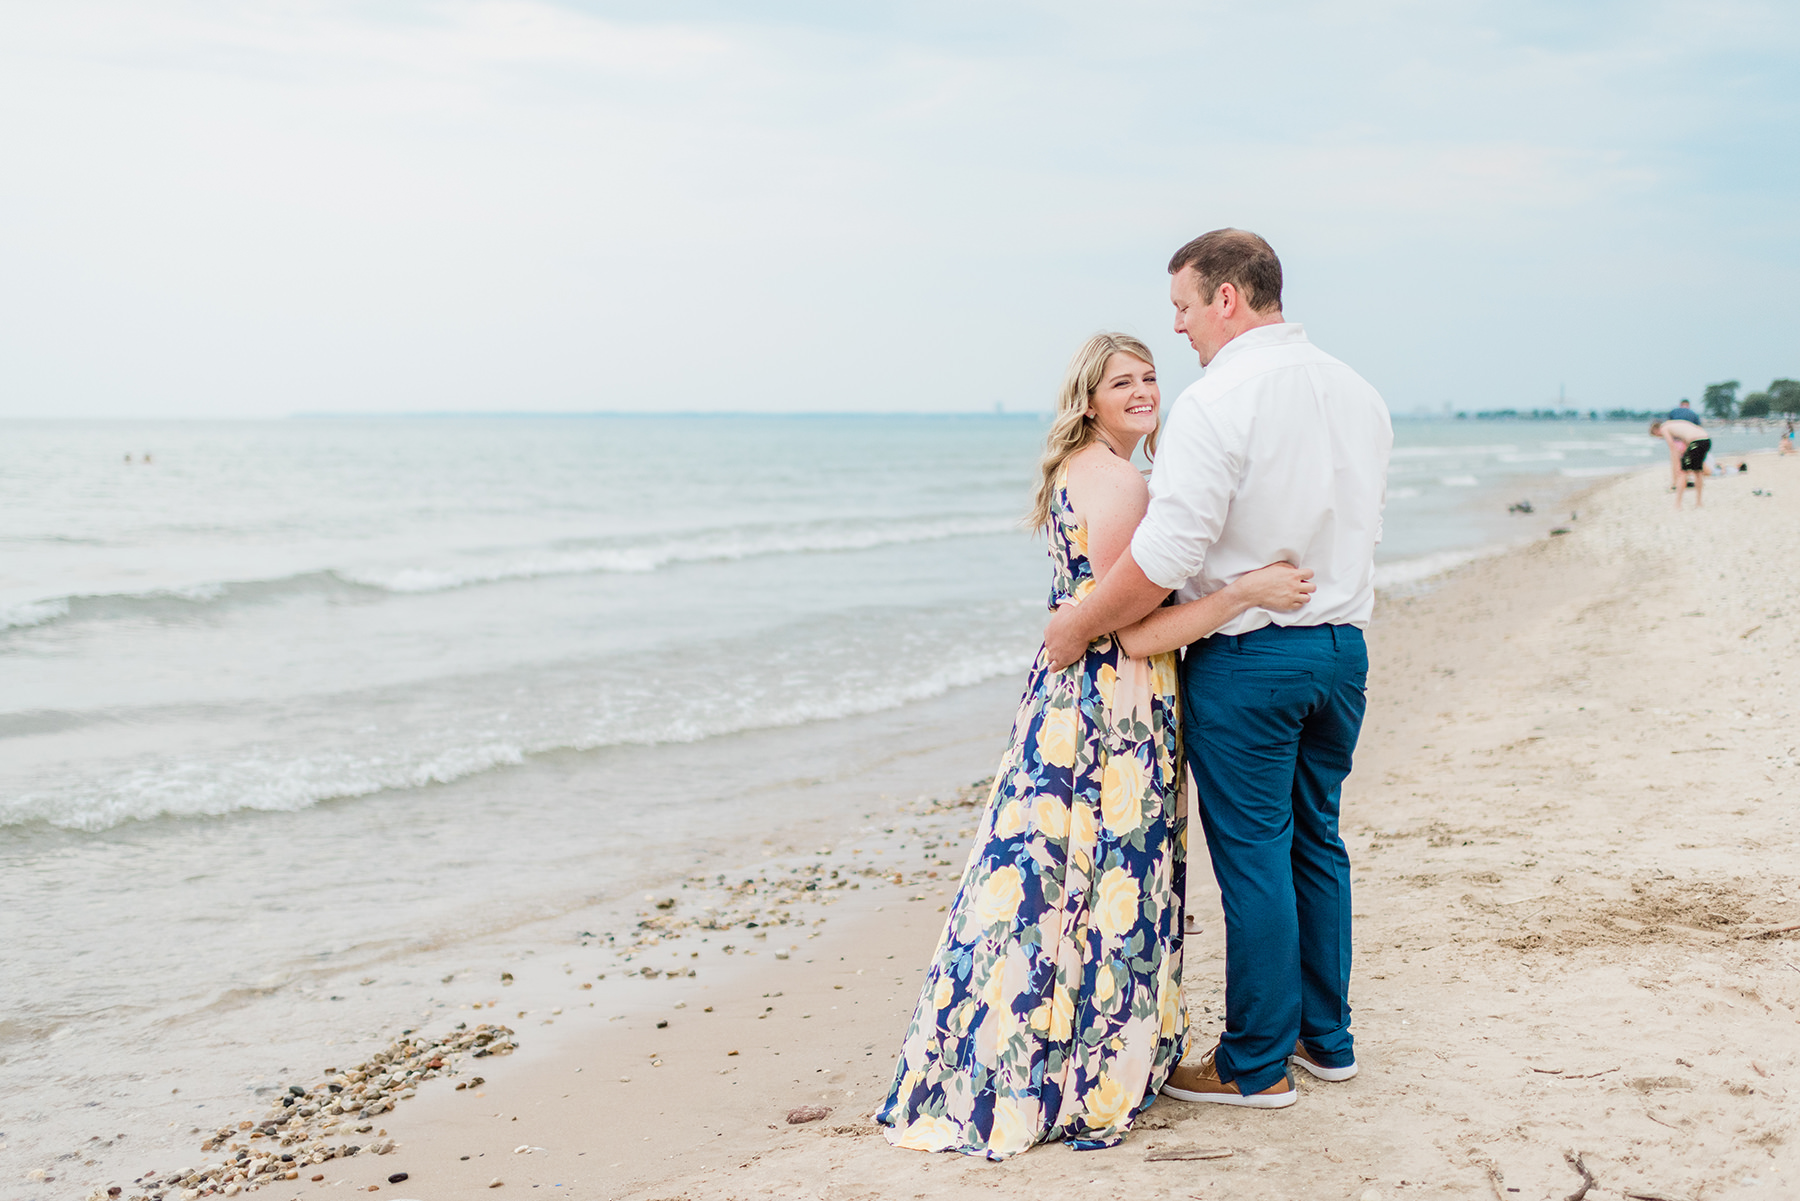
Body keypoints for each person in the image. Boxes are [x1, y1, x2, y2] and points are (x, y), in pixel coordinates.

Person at [876, 333, 1315, 1158]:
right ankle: (1078, 1066)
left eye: (1151, 376)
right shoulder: (1115, 481)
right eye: (1124, 381)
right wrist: (1246, 593)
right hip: (1110, 710)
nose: (1145, 389)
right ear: (1088, 400)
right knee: (1097, 876)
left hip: (1091, 698)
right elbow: (1138, 633)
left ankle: (1068, 1049)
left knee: (1062, 874)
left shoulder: (1101, 471)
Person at [1043, 229, 1392, 1109]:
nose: (1181, 327)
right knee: (1317, 840)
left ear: (1227, 299)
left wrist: (1080, 622)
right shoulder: (1359, 393)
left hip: (1253, 659)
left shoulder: (1217, 400)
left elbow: (1165, 555)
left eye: (1185, 307)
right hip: (1342, 649)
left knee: (1254, 858)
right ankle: (1327, 1039)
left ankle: (1255, 1062)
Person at [1650, 417, 1709, 508]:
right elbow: (1686, 443)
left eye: (1656, 435)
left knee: (1682, 473)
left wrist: (1677, 465)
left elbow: (1672, 447)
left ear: (1656, 430)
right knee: (1697, 472)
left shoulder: (1664, 428)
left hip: (1695, 442)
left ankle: (1678, 504)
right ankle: (1699, 503)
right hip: (1706, 440)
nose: (1659, 437)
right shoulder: (1673, 424)